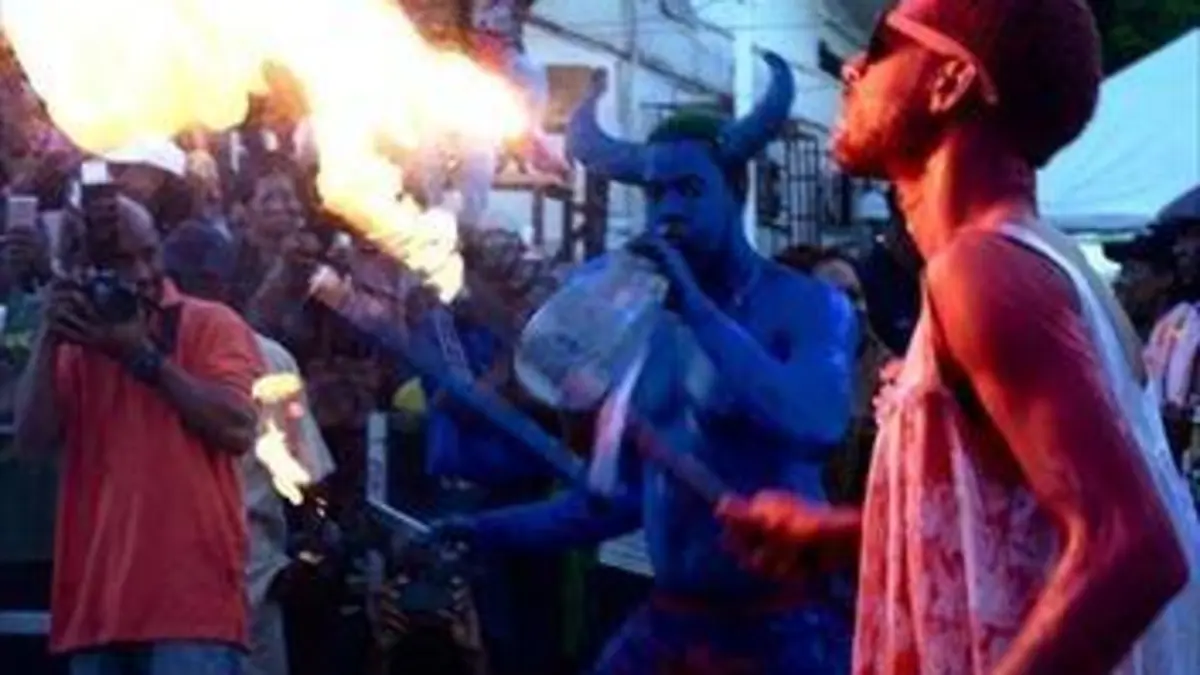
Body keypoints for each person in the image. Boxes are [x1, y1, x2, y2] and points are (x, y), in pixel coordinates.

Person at [719, 2, 1200, 674]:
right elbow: (1014, 522)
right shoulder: (1033, 262)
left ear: (949, 82)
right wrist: (851, 535)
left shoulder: (983, 270)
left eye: (881, 46)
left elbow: (1134, 546)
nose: (852, 68)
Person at [434, 54, 859, 673]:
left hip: (785, 622)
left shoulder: (808, 305)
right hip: (673, 617)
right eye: (656, 193)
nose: (668, 211)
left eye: (690, 190)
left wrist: (699, 312)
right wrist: (486, 528)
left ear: (736, 192)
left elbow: (817, 423)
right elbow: (617, 500)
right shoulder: (642, 323)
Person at [13, 193, 263, 674]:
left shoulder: (210, 323)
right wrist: (50, 334)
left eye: (150, 253)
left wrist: (141, 357)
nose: (144, 272)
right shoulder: (76, 342)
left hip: (191, 608)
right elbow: (31, 443)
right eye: (122, 262)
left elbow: (237, 427)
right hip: (97, 609)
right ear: (88, 270)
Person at [162, 219, 337, 675]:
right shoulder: (140, 357)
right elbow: (311, 482)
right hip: (179, 586)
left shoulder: (267, 359)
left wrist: (303, 560)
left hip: (247, 583)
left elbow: (310, 483)